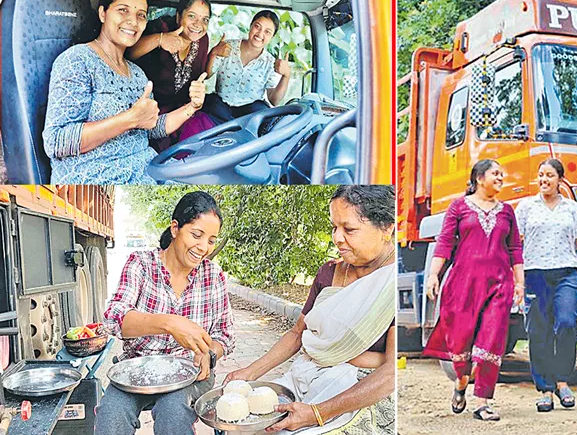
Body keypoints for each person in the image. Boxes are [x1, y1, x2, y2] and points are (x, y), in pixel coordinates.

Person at [224, 185, 395, 434]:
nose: (337, 238)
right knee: (249, 423)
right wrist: (250, 372)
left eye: (349, 229)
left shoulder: (393, 282)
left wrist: (317, 413)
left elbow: (390, 374)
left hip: (358, 391)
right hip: (306, 374)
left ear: (386, 228)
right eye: (334, 228)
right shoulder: (328, 273)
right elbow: (297, 334)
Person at [42, 0, 206, 184]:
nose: (133, 21)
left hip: (147, 168)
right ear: (103, 13)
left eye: (141, 15)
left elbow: (150, 128)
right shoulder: (77, 60)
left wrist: (192, 107)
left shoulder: (137, 74)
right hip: (98, 177)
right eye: (123, 10)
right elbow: (56, 142)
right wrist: (130, 119)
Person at [96, 191, 235, 435]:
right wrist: (169, 323)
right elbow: (114, 317)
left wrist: (209, 354)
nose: (203, 248)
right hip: (137, 370)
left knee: (173, 412)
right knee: (111, 415)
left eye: (211, 240)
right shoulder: (140, 264)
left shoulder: (214, 276)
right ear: (175, 228)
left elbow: (225, 335)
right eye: (196, 235)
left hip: (190, 373)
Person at [423, 159, 525, 421]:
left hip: (499, 284)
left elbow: (515, 249)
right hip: (463, 285)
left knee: (492, 340)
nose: (501, 178)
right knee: (461, 342)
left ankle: (483, 401)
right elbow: (445, 243)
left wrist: (519, 283)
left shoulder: (506, 211)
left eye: (502, 174)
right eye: (495, 174)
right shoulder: (459, 206)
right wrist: (433, 275)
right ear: (480, 178)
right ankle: (461, 383)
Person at [514, 158, 577, 412]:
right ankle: (545, 389)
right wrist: (516, 276)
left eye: (549, 175)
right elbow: (515, 243)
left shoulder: (572, 208)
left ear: (560, 180)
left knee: (566, 323)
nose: (544, 180)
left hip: (566, 273)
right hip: (534, 274)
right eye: (541, 175)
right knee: (538, 331)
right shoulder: (526, 207)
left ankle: (562, 382)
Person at [127, 0, 216, 151]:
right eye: (192, 16)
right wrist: (159, 39)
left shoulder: (202, 39)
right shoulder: (159, 27)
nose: (198, 24)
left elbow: (199, 75)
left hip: (184, 109)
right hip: (152, 109)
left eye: (205, 19)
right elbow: (128, 54)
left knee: (205, 148)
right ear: (178, 16)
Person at [203, 10, 291, 125]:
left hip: (250, 112)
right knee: (208, 107)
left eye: (267, 32)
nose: (260, 34)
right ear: (250, 26)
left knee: (264, 116)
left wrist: (286, 76)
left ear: (272, 37)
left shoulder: (270, 63)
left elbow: (274, 100)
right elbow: (207, 74)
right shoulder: (227, 47)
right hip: (221, 106)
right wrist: (214, 53)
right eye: (257, 27)